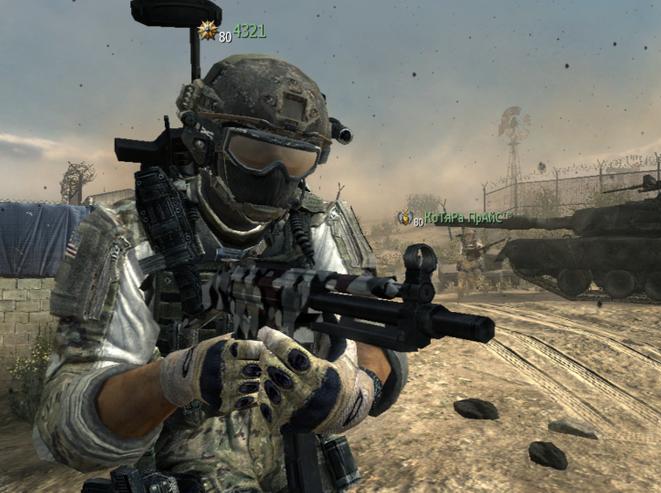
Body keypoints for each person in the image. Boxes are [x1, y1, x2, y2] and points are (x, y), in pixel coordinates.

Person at [33, 54, 408, 493]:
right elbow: (65, 426)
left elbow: (376, 335)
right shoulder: (127, 234)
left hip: (300, 459)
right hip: (185, 470)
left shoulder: (317, 226)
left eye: (296, 162)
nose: (275, 176)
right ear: (205, 143)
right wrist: (175, 380)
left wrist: (356, 391)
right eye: (254, 154)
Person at [456, 228, 485, 298]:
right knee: (462, 276)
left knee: (477, 272)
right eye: (467, 235)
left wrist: (480, 249)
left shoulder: (476, 243)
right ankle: (460, 291)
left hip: (474, 262)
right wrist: (460, 263)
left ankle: (479, 287)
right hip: (465, 262)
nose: (469, 237)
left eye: (470, 235)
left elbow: (482, 249)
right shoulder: (462, 244)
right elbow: (460, 254)